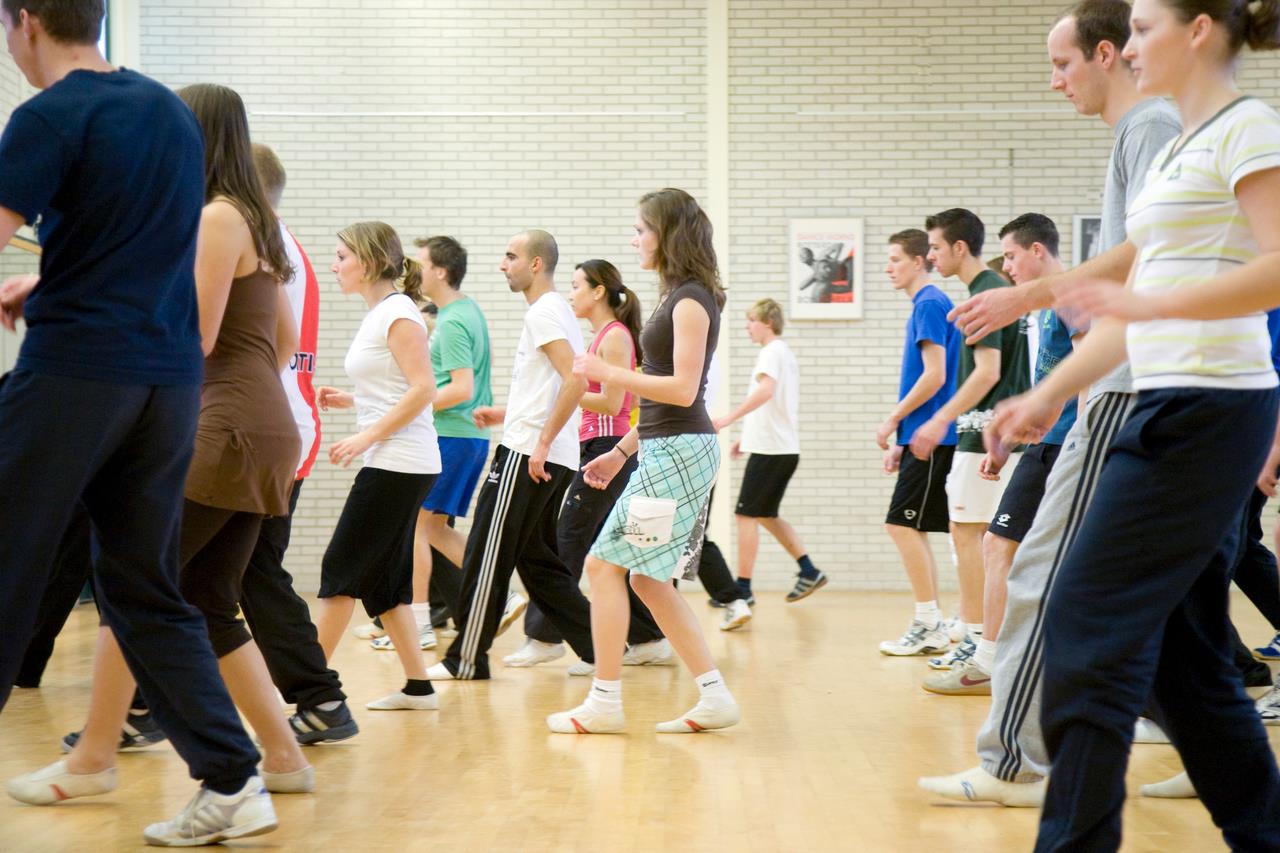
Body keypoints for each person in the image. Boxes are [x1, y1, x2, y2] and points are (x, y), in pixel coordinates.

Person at [989, 0, 1280, 846]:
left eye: (1146, 28)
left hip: (1213, 407)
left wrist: (1150, 300)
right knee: (1186, 665)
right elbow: (1130, 310)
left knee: (1083, 619)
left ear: (1198, 32)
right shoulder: (1182, 145)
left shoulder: (1247, 129)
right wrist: (1048, 393)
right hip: (1164, 398)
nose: (1132, 44)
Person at [0, 57, 284, 843]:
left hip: (84, 372)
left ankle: (146, 759)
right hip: (165, 388)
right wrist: (52, 283)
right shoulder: (167, 118)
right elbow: (139, 256)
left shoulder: (50, 115)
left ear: (21, 21)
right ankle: (234, 777)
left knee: (12, 559)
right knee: (144, 589)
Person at [919, 0, 1181, 808]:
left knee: (1037, 568)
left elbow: (1146, 256)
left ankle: (1013, 764)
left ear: (1108, 53)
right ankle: (1205, 741)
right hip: (1136, 385)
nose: (1055, 80)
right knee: (1176, 591)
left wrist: (1028, 298)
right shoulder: (1146, 130)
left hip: (1135, 391)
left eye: (1064, 64)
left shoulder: (1152, 124)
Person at [546, 187, 739, 734]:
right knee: (648, 583)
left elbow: (681, 390)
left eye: (640, 229)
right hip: (662, 448)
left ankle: (605, 702)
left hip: (678, 453)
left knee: (604, 568)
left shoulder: (691, 300)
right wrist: (619, 450)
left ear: (668, 233)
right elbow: (662, 401)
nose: (634, 239)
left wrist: (609, 375)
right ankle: (714, 695)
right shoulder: (676, 295)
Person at [426, 230, 597, 681]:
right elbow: (554, 385)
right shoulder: (555, 311)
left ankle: (465, 658)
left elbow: (574, 381)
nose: (503, 265)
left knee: (486, 552)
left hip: (529, 455)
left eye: (511, 256)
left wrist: (539, 443)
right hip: (547, 452)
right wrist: (508, 413)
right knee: (536, 562)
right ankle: (601, 647)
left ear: (536, 264)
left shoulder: (544, 312)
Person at [923, 214, 1079, 695]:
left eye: (1011, 255)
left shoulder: (1070, 298)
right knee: (999, 543)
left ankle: (996, 655)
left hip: (1073, 443)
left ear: (1037, 251)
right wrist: (1012, 435)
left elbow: (1086, 375)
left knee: (1006, 545)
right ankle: (991, 656)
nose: (1006, 265)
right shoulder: (1045, 308)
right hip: (1044, 442)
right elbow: (1048, 383)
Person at [240, 142, 357, 744]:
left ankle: (320, 698)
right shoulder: (277, 241)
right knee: (241, 575)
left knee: (225, 574)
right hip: (279, 424)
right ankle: (319, 699)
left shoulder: (259, 241)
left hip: (263, 429)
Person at [506, 259, 673, 668]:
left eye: (577, 286)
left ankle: (547, 638)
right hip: (594, 445)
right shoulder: (599, 337)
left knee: (568, 540)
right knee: (607, 549)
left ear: (599, 292)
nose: (570, 293)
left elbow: (615, 403)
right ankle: (649, 639)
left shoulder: (613, 337)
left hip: (608, 443)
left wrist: (566, 391)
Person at [313, 221, 441, 710]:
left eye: (341, 256)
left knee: (339, 570)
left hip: (398, 462)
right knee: (385, 585)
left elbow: (423, 388)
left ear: (367, 262)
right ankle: (419, 686)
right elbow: (394, 385)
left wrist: (366, 434)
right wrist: (353, 400)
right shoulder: (385, 313)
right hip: (399, 459)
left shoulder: (399, 313)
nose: (334, 265)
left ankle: (313, 695)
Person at [910, 208, 1030, 668]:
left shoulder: (987, 294)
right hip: (993, 436)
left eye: (936, 247)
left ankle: (977, 637)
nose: (932, 255)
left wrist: (938, 419)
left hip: (982, 437)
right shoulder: (997, 291)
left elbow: (987, 372)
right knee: (983, 537)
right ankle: (979, 632)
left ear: (960, 247)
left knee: (969, 533)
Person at [876, 229, 960, 656]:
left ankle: (931, 623)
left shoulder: (928, 303)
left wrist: (893, 421)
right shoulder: (925, 304)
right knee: (910, 527)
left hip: (936, 437)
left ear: (918, 262)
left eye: (894, 259)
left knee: (902, 525)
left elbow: (936, 375)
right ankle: (931, 622)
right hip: (921, 436)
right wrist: (902, 439)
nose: (888, 268)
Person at [715, 298, 827, 603]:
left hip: (773, 451)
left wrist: (727, 419)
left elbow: (766, 392)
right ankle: (808, 570)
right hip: (777, 448)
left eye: (751, 320)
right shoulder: (781, 353)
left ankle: (743, 588)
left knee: (745, 516)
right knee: (764, 515)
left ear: (767, 322)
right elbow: (771, 404)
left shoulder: (772, 352)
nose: (747, 327)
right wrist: (745, 437)